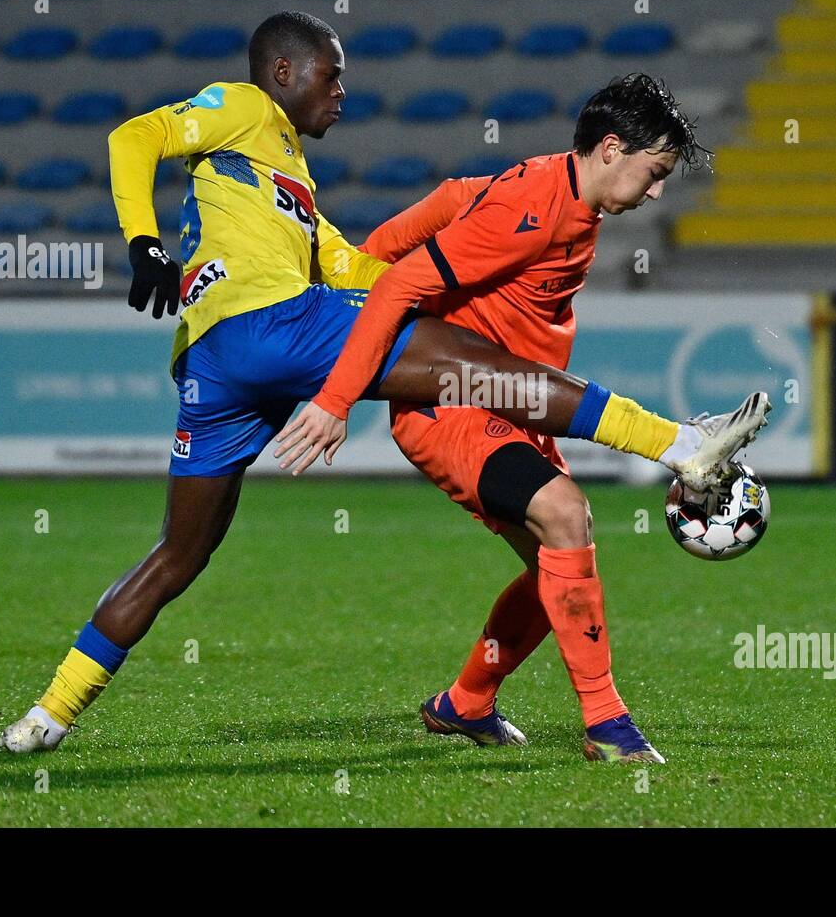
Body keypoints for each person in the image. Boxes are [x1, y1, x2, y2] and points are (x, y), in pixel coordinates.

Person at [0, 13, 764, 754]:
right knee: (482, 368)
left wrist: (468, 207)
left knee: (178, 554)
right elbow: (134, 136)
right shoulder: (242, 106)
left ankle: (48, 714)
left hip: (214, 366)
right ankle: (680, 443)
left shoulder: (290, 187)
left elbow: (365, 270)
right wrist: (143, 242)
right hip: (272, 323)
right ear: (283, 72)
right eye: (331, 78)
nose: (341, 94)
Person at [277, 74, 770, 763]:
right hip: (453, 404)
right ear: (610, 149)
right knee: (566, 516)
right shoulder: (535, 206)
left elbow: (454, 199)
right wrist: (334, 399)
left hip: (515, 410)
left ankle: (465, 704)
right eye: (655, 172)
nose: (657, 191)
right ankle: (608, 726)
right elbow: (402, 284)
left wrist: (360, 260)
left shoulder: (561, 197)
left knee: (557, 567)